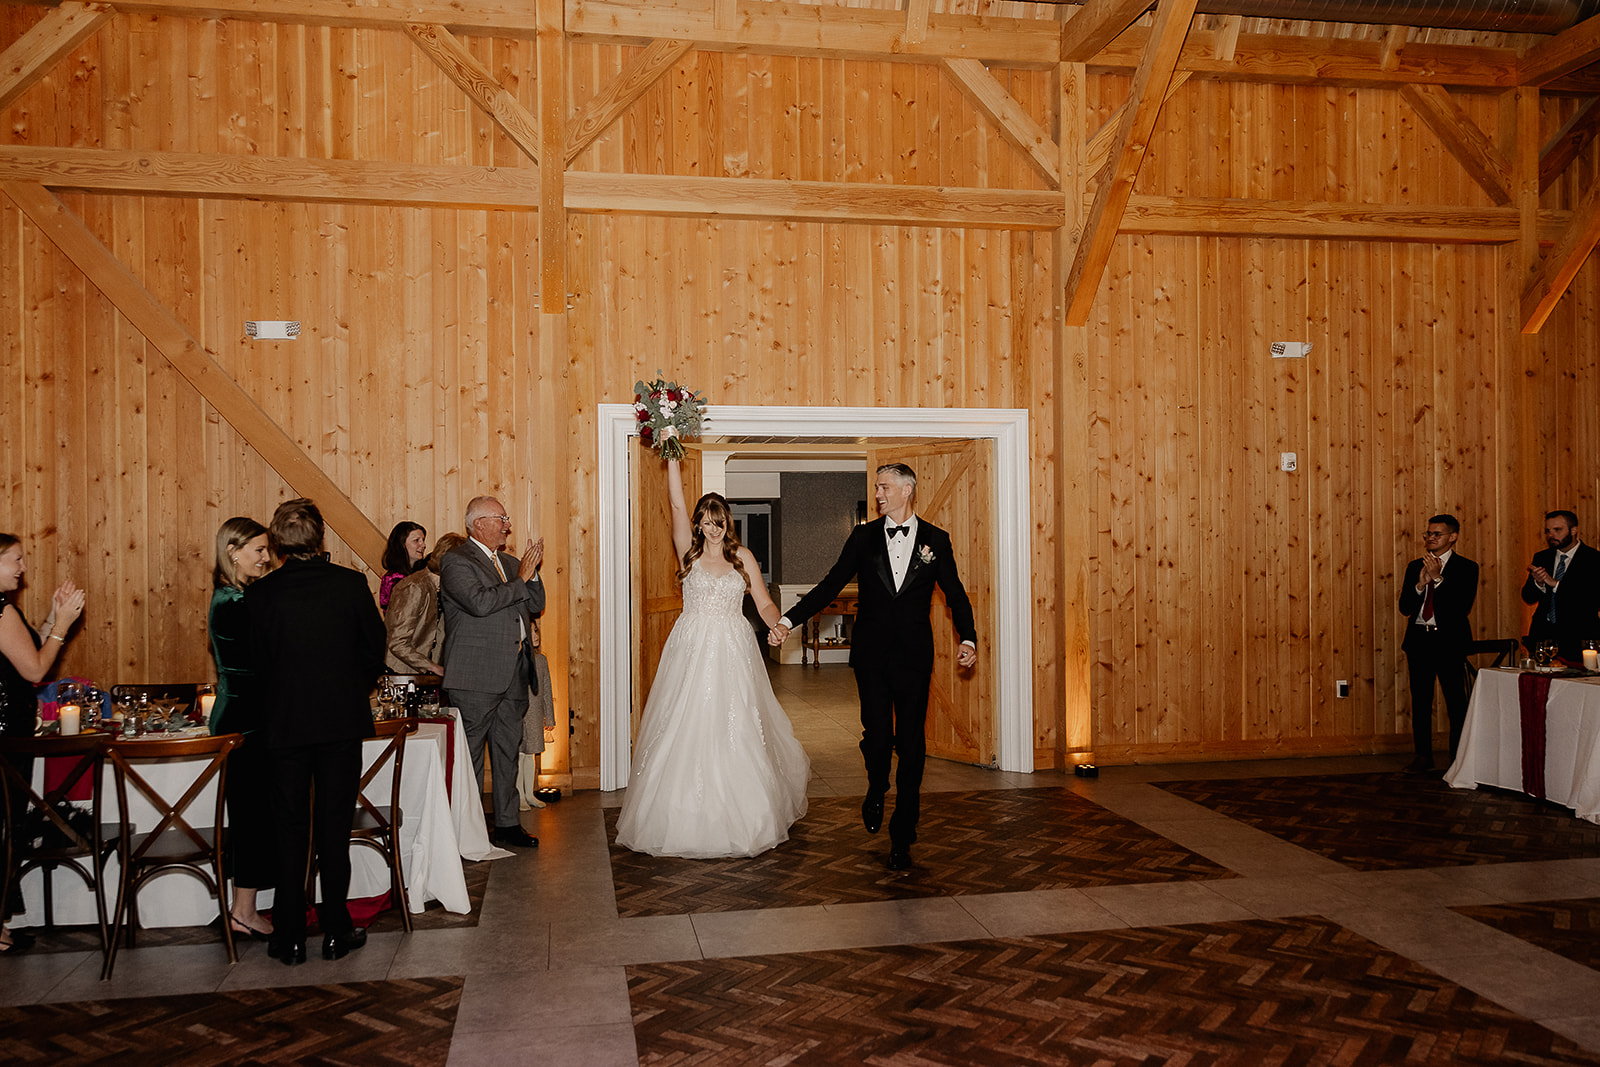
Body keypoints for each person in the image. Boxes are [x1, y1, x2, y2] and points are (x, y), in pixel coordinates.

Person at [771, 462, 976, 872]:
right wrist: (787, 621)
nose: (877, 494)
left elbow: (955, 593)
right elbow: (830, 584)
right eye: (877, 487)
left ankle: (903, 832)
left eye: (884, 487)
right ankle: (877, 785)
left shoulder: (936, 540)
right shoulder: (863, 538)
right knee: (878, 737)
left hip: (914, 657)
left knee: (912, 743)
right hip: (871, 656)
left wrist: (968, 639)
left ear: (906, 490)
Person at [615, 460, 809, 858]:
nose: (713, 528)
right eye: (706, 521)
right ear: (699, 524)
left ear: (727, 522)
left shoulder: (743, 558)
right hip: (693, 647)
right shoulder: (688, 552)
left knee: (737, 722)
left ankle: (746, 813)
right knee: (688, 722)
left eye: (718, 521)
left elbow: (764, 603)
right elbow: (675, 503)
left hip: (734, 648)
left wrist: (778, 624)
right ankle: (682, 813)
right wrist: (672, 452)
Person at [246, 499, 385, 965]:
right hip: (339, 722)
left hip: (284, 725)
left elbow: (254, 664)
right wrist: (350, 690)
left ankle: (288, 935)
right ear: (319, 537)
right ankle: (336, 930)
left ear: (278, 542)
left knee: (288, 830)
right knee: (333, 828)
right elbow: (374, 650)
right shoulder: (350, 584)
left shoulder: (261, 594)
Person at [439, 495, 545, 849]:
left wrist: (532, 575)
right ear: (478, 523)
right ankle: (465, 829)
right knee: (469, 754)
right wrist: (521, 578)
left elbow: (536, 604)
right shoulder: (456, 561)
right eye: (501, 518)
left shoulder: (511, 562)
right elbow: (480, 603)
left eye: (506, 518)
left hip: (514, 672)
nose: (507, 525)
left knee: (507, 751)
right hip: (475, 675)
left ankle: (507, 824)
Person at [0, 534, 84, 954]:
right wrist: (64, 626)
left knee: (7, 826)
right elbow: (35, 670)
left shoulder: (7, 610)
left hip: (10, 734)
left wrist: (53, 617)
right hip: (6, 738)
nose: (22, 568)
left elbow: (31, 650)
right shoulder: (0, 611)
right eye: (15, 560)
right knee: (5, 827)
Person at [206, 517, 276, 940]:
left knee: (254, 814)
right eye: (259, 550)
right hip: (244, 721)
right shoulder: (234, 602)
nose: (266, 558)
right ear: (233, 551)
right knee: (250, 817)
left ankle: (244, 907)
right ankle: (243, 911)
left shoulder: (237, 597)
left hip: (245, 714)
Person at [1398, 515, 1478, 773]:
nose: (1430, 538)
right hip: (1419, 640)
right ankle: (1423, 756)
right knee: (1421, 702)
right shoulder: (1415, 566)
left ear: (1452, 537)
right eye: (1428, 533)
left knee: (1456, 701)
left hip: (1449, 642)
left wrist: (1439, 579)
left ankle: (1457, 757)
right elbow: (1405, 607)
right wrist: (1420, 586)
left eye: (1437, 534)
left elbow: (1460, 607)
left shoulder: (1467, 567)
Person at [1522, 510, 1600, 662]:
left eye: (1557, 530)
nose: (1551, 535)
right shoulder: (1542, 557)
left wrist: (1556, 584)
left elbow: (1593, 600)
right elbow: (1528, 597)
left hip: (1579, 637)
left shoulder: (1593, 559)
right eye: (1548, 531)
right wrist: (1539, 583)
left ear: (1573, 530)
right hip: (1543, 636)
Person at [385, 533, 465, 675]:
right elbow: (397, 642)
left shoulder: (443, 587)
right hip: (402, 675)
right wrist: (432, 667)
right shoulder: (414, 586)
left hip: (426, 676)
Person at [378, 521, 427, 611]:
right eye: (416, 540)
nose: (423, 545)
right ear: (401, 544)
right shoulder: (393, 579)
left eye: (423, 540)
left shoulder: (422, 573)